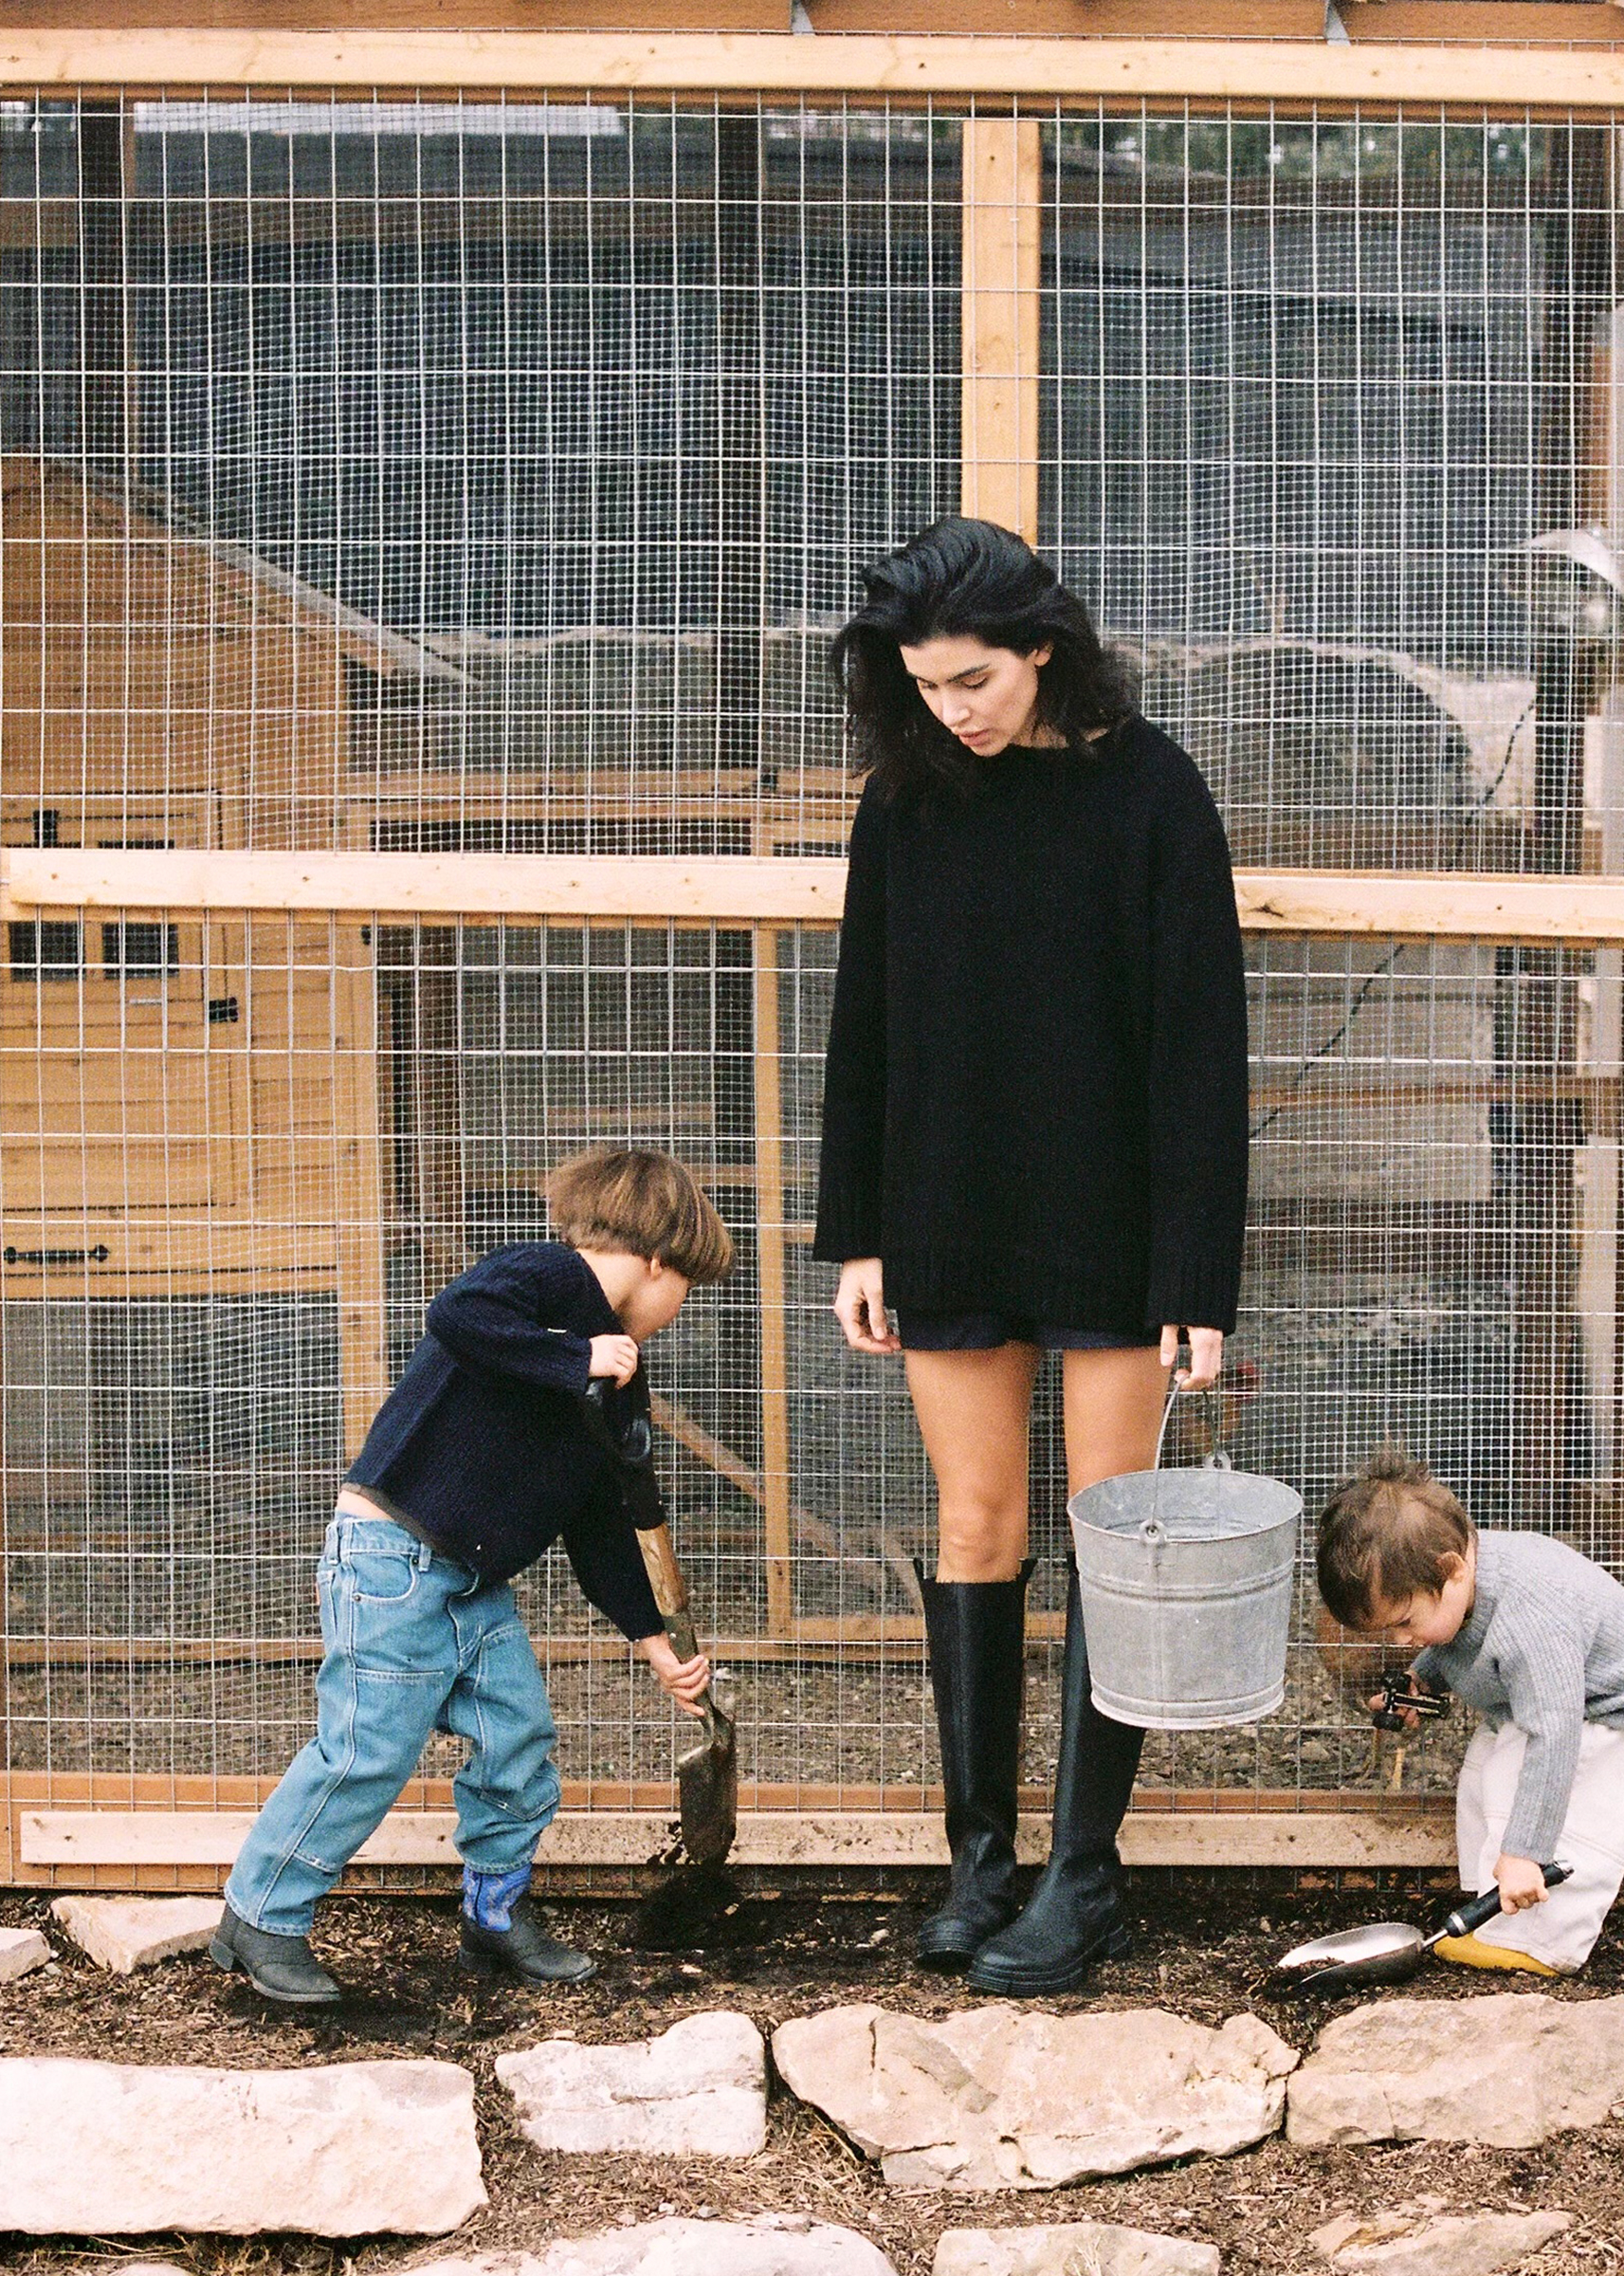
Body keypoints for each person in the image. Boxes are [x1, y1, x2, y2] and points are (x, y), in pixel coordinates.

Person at [816, 516, 1250, 1995]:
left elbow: (1203, 1055)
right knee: (976, 1526)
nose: (955, 712)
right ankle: (977, 1868)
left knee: (1109, 1546)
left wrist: (1196, 1282)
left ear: (1042, 648)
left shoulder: (1153, 795)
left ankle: (1083, 1879)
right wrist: (856, 1233)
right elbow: (861, 1025)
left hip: (1113, 1226)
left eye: (975, 681)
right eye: (927, 687)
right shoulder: (908, 804)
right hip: (944, 1208)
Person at [210, 1146, 732, 2005]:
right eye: (688, 1286)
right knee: (365, 1752)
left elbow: (601, 1524)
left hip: (471, 1585)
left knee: (516, 1740)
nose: (681, 1309)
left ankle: (494, 1914)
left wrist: (654, 1642)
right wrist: (576, 1359)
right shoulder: (540, 1277)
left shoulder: (614, 1380)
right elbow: (459, 1314)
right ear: (654, 1257)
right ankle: (262, 1915)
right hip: (392, 1560)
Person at [1317, 1443, 1624, 1975]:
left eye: (1403, 1622)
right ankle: (1490, 1914)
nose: (1401, 1641)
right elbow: (1459, 1639)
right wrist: (1422, 1678)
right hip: (1550, 1701)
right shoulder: (1460, 1579)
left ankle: (1544, 1944)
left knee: (1575, 1823)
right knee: (1483, 1781)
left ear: (1451, 1570)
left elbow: (1555, 1738)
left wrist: (1527, 1852)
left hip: (1612, 1707)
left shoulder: (1531, 1617)